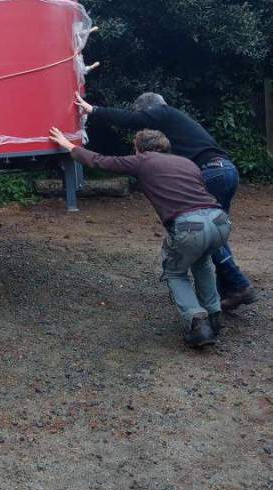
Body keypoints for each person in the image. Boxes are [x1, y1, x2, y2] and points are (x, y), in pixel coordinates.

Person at [49, 125, 232, 348]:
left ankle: (198, 323)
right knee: (202, 262)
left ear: (139, 149)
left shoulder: (144, 161)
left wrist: (69, 146)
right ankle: (215, 316)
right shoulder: (187, 162)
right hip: (219, 221)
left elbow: (100, 161)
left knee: (175, 272)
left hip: (189, 226)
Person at [75, 91, 256, 310]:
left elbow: (131, 121)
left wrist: (94, 110)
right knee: (214, 231)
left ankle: (238, 285)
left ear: (150, 110)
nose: (145, 127)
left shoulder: (163, 112)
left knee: (206, 230)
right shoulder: (176, 127)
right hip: (225, 170)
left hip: (211, 172)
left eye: (144, 118)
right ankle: (227, 288)